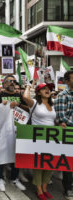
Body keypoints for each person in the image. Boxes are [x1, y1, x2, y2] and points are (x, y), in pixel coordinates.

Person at [0, 75, 28, 192]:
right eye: (10, 81)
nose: (13, 83)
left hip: (17, 130)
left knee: (16, 155)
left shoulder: (19, 96)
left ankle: (14, 178)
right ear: (5, 83)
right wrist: (4, 105)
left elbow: (28, 108)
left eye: (14, 81)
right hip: (2, 131)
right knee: (1, 154)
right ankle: (0, 178)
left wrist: (19, 105)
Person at [23, 82, 55, 200]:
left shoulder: (53, 105)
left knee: (50, 164)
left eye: (49, 89)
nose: (47, 90)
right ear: (38, 92)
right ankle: (39, 190)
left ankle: (45, 188)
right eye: (44, 89)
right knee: (39, 165)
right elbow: (25, 97)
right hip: (38, 138)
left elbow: (53, 121)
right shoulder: (35, 103)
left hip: (52, 139)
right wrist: (28, 86)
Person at [54, 70, 73, 199]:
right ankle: (68, 188)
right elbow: (62, 118)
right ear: (66, 81)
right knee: (69, 161)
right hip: (69, 133)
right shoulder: (62, 95)